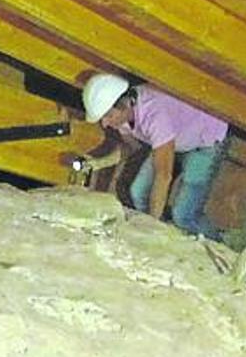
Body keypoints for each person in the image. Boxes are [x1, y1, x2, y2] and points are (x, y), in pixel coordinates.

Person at [82, 73, 228, 240]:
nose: (105, 123)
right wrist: (98, 163)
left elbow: (163, 175)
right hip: (174, 138)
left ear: (123, 104)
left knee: (183, 214)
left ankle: (219, 244)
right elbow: (131, 149)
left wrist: (152, 228)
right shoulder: (124, 114)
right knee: (137, 193)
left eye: (107, 116)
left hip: (206, 141)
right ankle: (160, 233)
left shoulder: (155, 113)